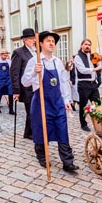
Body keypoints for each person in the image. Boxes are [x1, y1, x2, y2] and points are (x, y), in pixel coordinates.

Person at [22, 31, 78, 172]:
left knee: (62, 128)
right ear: (40, 43)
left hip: (57, 102)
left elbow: (64, 82)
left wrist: (67, 100)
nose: (52, 43)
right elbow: (25, 82)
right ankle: (42, 156)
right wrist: (34, 71)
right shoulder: (34, 61)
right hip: (41, 101)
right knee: (41, 129)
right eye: (48, 40)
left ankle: (67, 162)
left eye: (53, 41)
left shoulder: (57, 62)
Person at [74, 39, 102, 131]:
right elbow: (82, 70)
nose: (87, 46)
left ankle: (99, 123)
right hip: (84, 84)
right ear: (82, 45)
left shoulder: (93, 56)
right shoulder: (78, 57)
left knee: (98, 104)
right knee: (83, 105)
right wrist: (95, 69)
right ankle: (83, 124)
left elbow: (101, 65)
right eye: (85, 44)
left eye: (89, 45)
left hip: (93, 84)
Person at [11, 28, 36, 140]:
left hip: (35, 86)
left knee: (33, 110)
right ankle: (30, 133)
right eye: (32, 39)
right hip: (25, 87)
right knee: (31, 111)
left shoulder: (36, 51)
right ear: (25, 40)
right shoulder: (18, 52)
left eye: (34, 38)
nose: (34, 40)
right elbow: (14, 72)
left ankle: (28, 132)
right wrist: (16, 90)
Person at [0, 48, 15, 115]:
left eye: (6, 55)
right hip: (0, 80)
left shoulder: (9, 61)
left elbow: (11, 71)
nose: (5, 56)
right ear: (1, 55)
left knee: (10, 94)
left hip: (8, 80)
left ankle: (11, 109)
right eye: (4, 55)